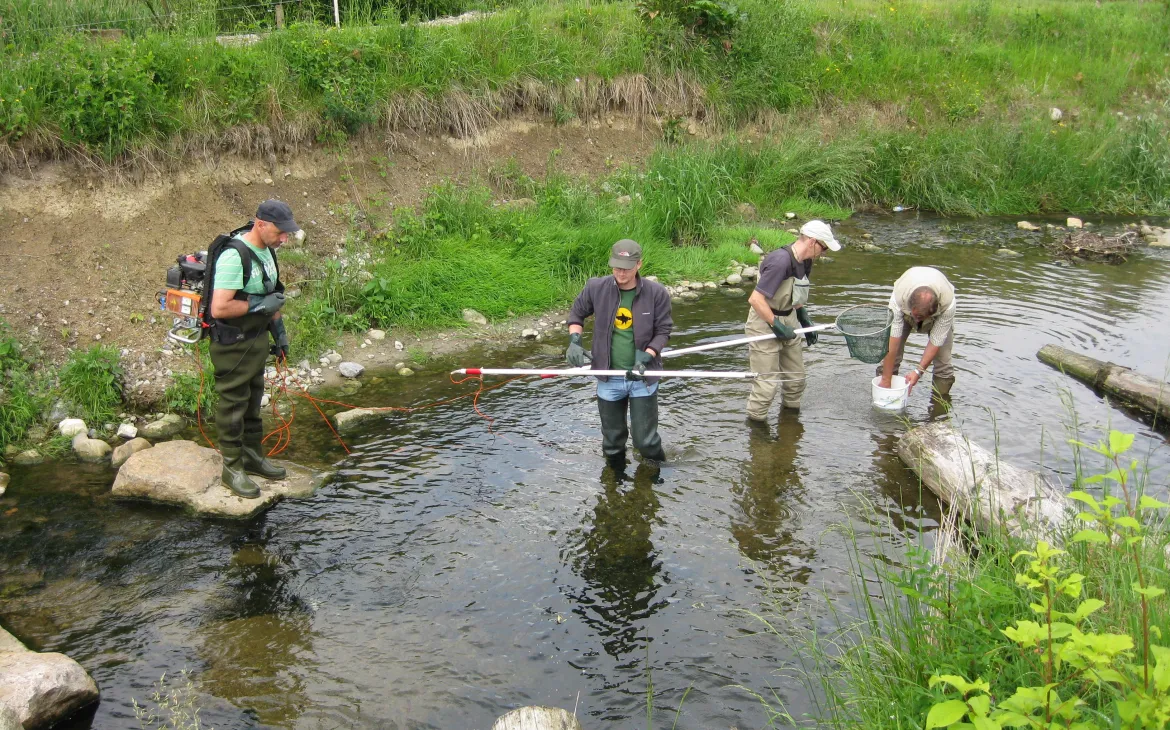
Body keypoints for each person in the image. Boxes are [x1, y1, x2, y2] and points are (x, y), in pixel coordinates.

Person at [207, 200, 298, 498]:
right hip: (232, 343)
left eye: (287, 233)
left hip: (257, 340)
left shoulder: (268, 251)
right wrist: (260, 305)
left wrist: (280, 335)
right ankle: (231, 467)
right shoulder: (235, 256)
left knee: (254, 396)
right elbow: (219, 307)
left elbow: (273, 295)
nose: (285, 238)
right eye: (281, 232)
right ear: (261, 224)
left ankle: (252, 455)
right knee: (233, 403)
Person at [566, 239, 672, 462]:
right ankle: (613, 485)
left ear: (639, 264)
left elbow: (663, 331)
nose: (621, 273)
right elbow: (576, 315)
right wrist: (575, 341)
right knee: (612, 443)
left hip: (642, 377)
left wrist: (648, 355)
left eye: (626, 268)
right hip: (609, 377)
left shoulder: (656, 293)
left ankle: (655, 483)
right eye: (616, 267)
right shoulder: (596, 288)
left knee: (646, 442)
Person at [744, 220, 840, 421]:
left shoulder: (806, 261)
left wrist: (804, 317)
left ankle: (789, 424)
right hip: (764, 321)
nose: (824, 253)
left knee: (796, 379)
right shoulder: (780, 261)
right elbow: (755, 299)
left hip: (790, 317)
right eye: (823, 248)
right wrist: (775, 325)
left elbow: (794, 293)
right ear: (812, 242)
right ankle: (757, 431)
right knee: (766, 386)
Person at [877, 266, 956, 401]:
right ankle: (882, 394)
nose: (919, 321)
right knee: (889, 361)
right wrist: (886, 379)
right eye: (918, 316)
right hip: (904, 313)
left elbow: (936, 340)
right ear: (911, 307)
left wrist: (918, 372)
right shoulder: (898, 299)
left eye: (923, 317)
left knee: (944, 366)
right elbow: (893, 341)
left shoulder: (948, 304)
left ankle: (939, 410)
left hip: (939, 315)